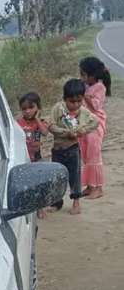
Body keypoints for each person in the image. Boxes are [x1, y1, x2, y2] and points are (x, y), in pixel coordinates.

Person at [47, 78, 99, 216]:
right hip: (58, 149)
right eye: (72, 101)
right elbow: (51, 126)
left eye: (79, 101)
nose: (75, 104)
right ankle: (57, 202)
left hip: (73, 149)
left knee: (75, 177)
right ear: (65, 99)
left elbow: (95, 122)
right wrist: (65, 132)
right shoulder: (58, 108)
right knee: (56, 176)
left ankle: (76, 203)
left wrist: (83, 131)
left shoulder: (83, 112)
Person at [79, 55, 111, 200]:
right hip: (84, 124)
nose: (82, 77)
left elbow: (95, 105)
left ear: (92, 75)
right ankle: (90, 185)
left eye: (83, 74)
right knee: (86, 154)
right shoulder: (87, 86)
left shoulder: (100, 87)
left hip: (95, 124)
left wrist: (84, 95)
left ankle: (98, 188)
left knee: (94, 155)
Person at [16, 92, 49, 162]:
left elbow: (45, 132)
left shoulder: (41, 122)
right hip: (23, 156)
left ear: (38, 107)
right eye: (24, 109)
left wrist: (37, 118)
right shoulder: (18, 123)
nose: (28, 111)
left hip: (37, 156)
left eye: (31, 107)